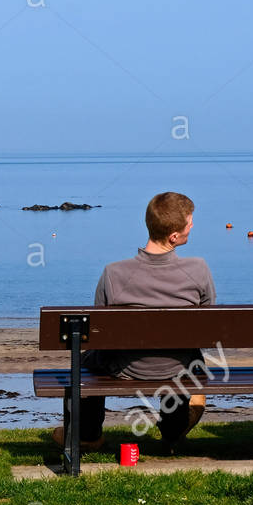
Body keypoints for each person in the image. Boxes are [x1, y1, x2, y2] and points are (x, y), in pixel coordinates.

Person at [52, 192, 214, 453]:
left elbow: (98, 332)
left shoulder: (114, 273)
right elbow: (208, 325)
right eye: (189, 222)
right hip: (179, 367)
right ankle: (173, 431)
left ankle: (87, 434)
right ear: (174, 236)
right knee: (189, 358)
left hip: (125, 367)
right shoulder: (199, 270)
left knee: (85, 360)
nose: (192, 226)